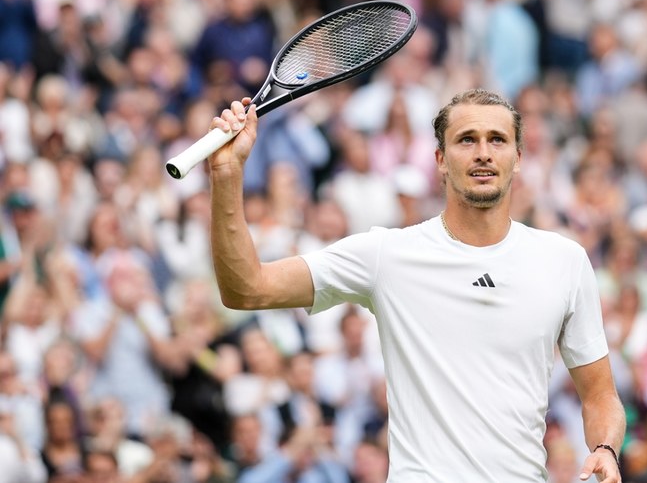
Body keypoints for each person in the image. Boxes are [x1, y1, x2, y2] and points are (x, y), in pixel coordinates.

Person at [204, 89, 625, 482]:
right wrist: (227, 175)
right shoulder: (387, 254)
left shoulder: (565, 261)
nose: (482, 153)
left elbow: (600, 396)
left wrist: (605, 447)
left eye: (497, 140)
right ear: (440, 159)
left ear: (518, 156)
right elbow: (246, 288)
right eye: (467, 140)